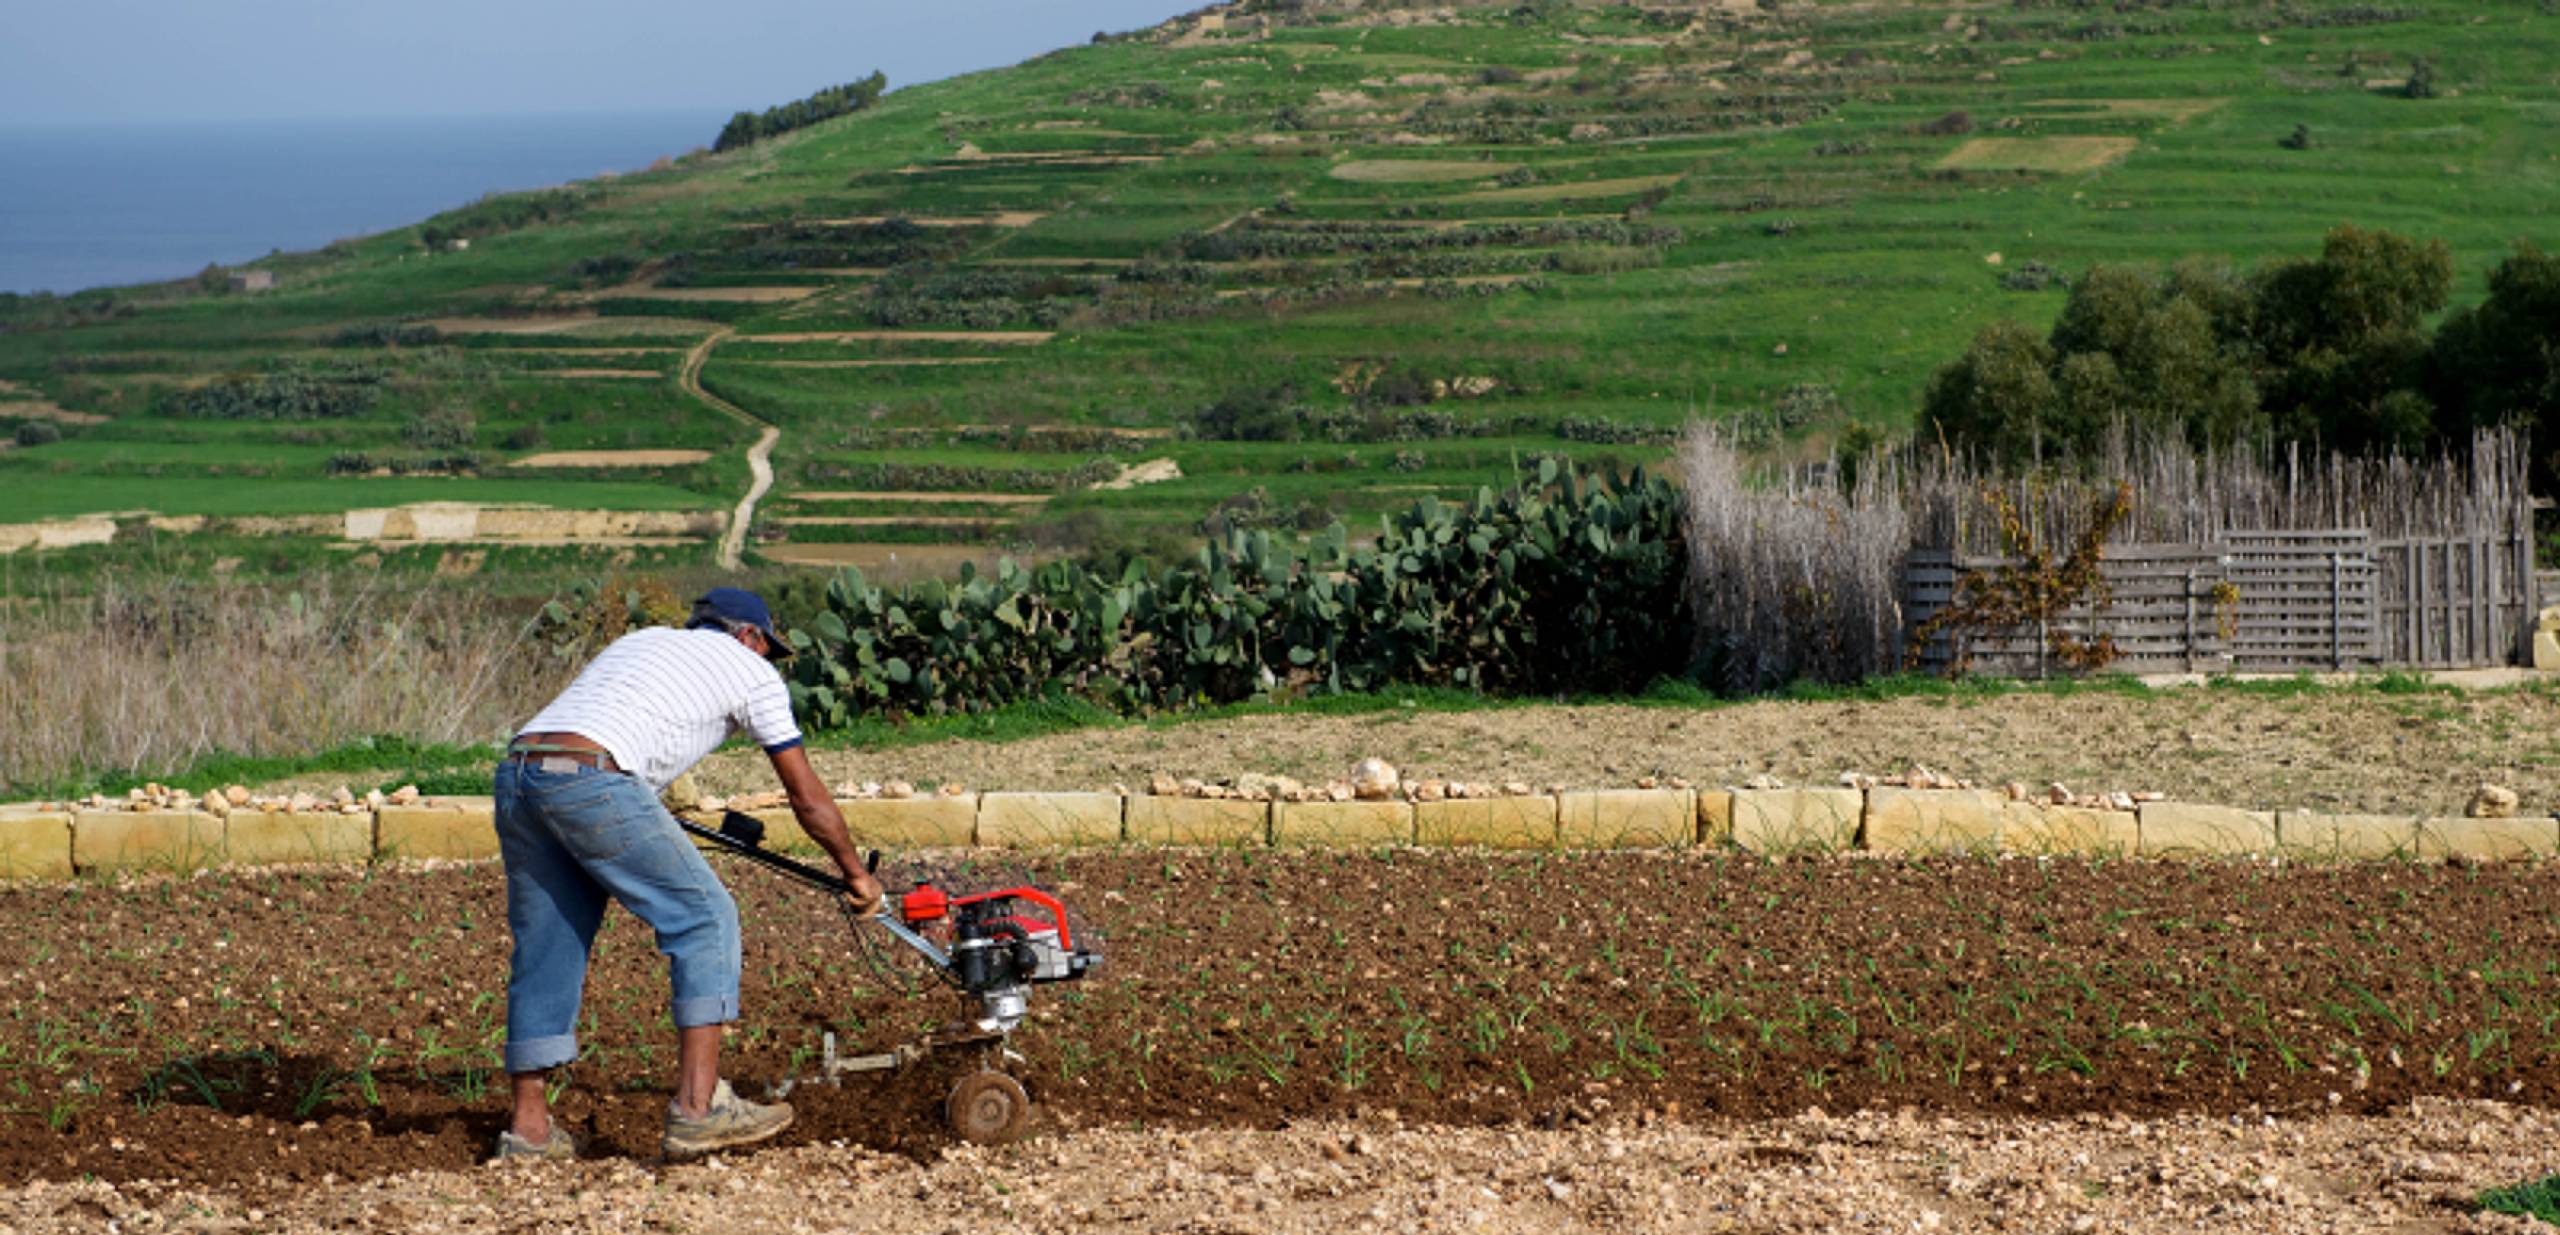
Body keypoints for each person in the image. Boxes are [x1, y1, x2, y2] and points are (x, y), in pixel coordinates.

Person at [490, 587, 883, 1162]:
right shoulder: (752, 672)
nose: (768, 659)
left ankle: (529, 1134)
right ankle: (700, 1110)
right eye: (768, 647)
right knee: (705, 917)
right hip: (594, 780)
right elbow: (806, 797)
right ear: (748, 637)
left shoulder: (642, 642)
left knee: (547, 944)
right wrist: (857, 874)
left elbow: (618, 725)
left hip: (521, 776)